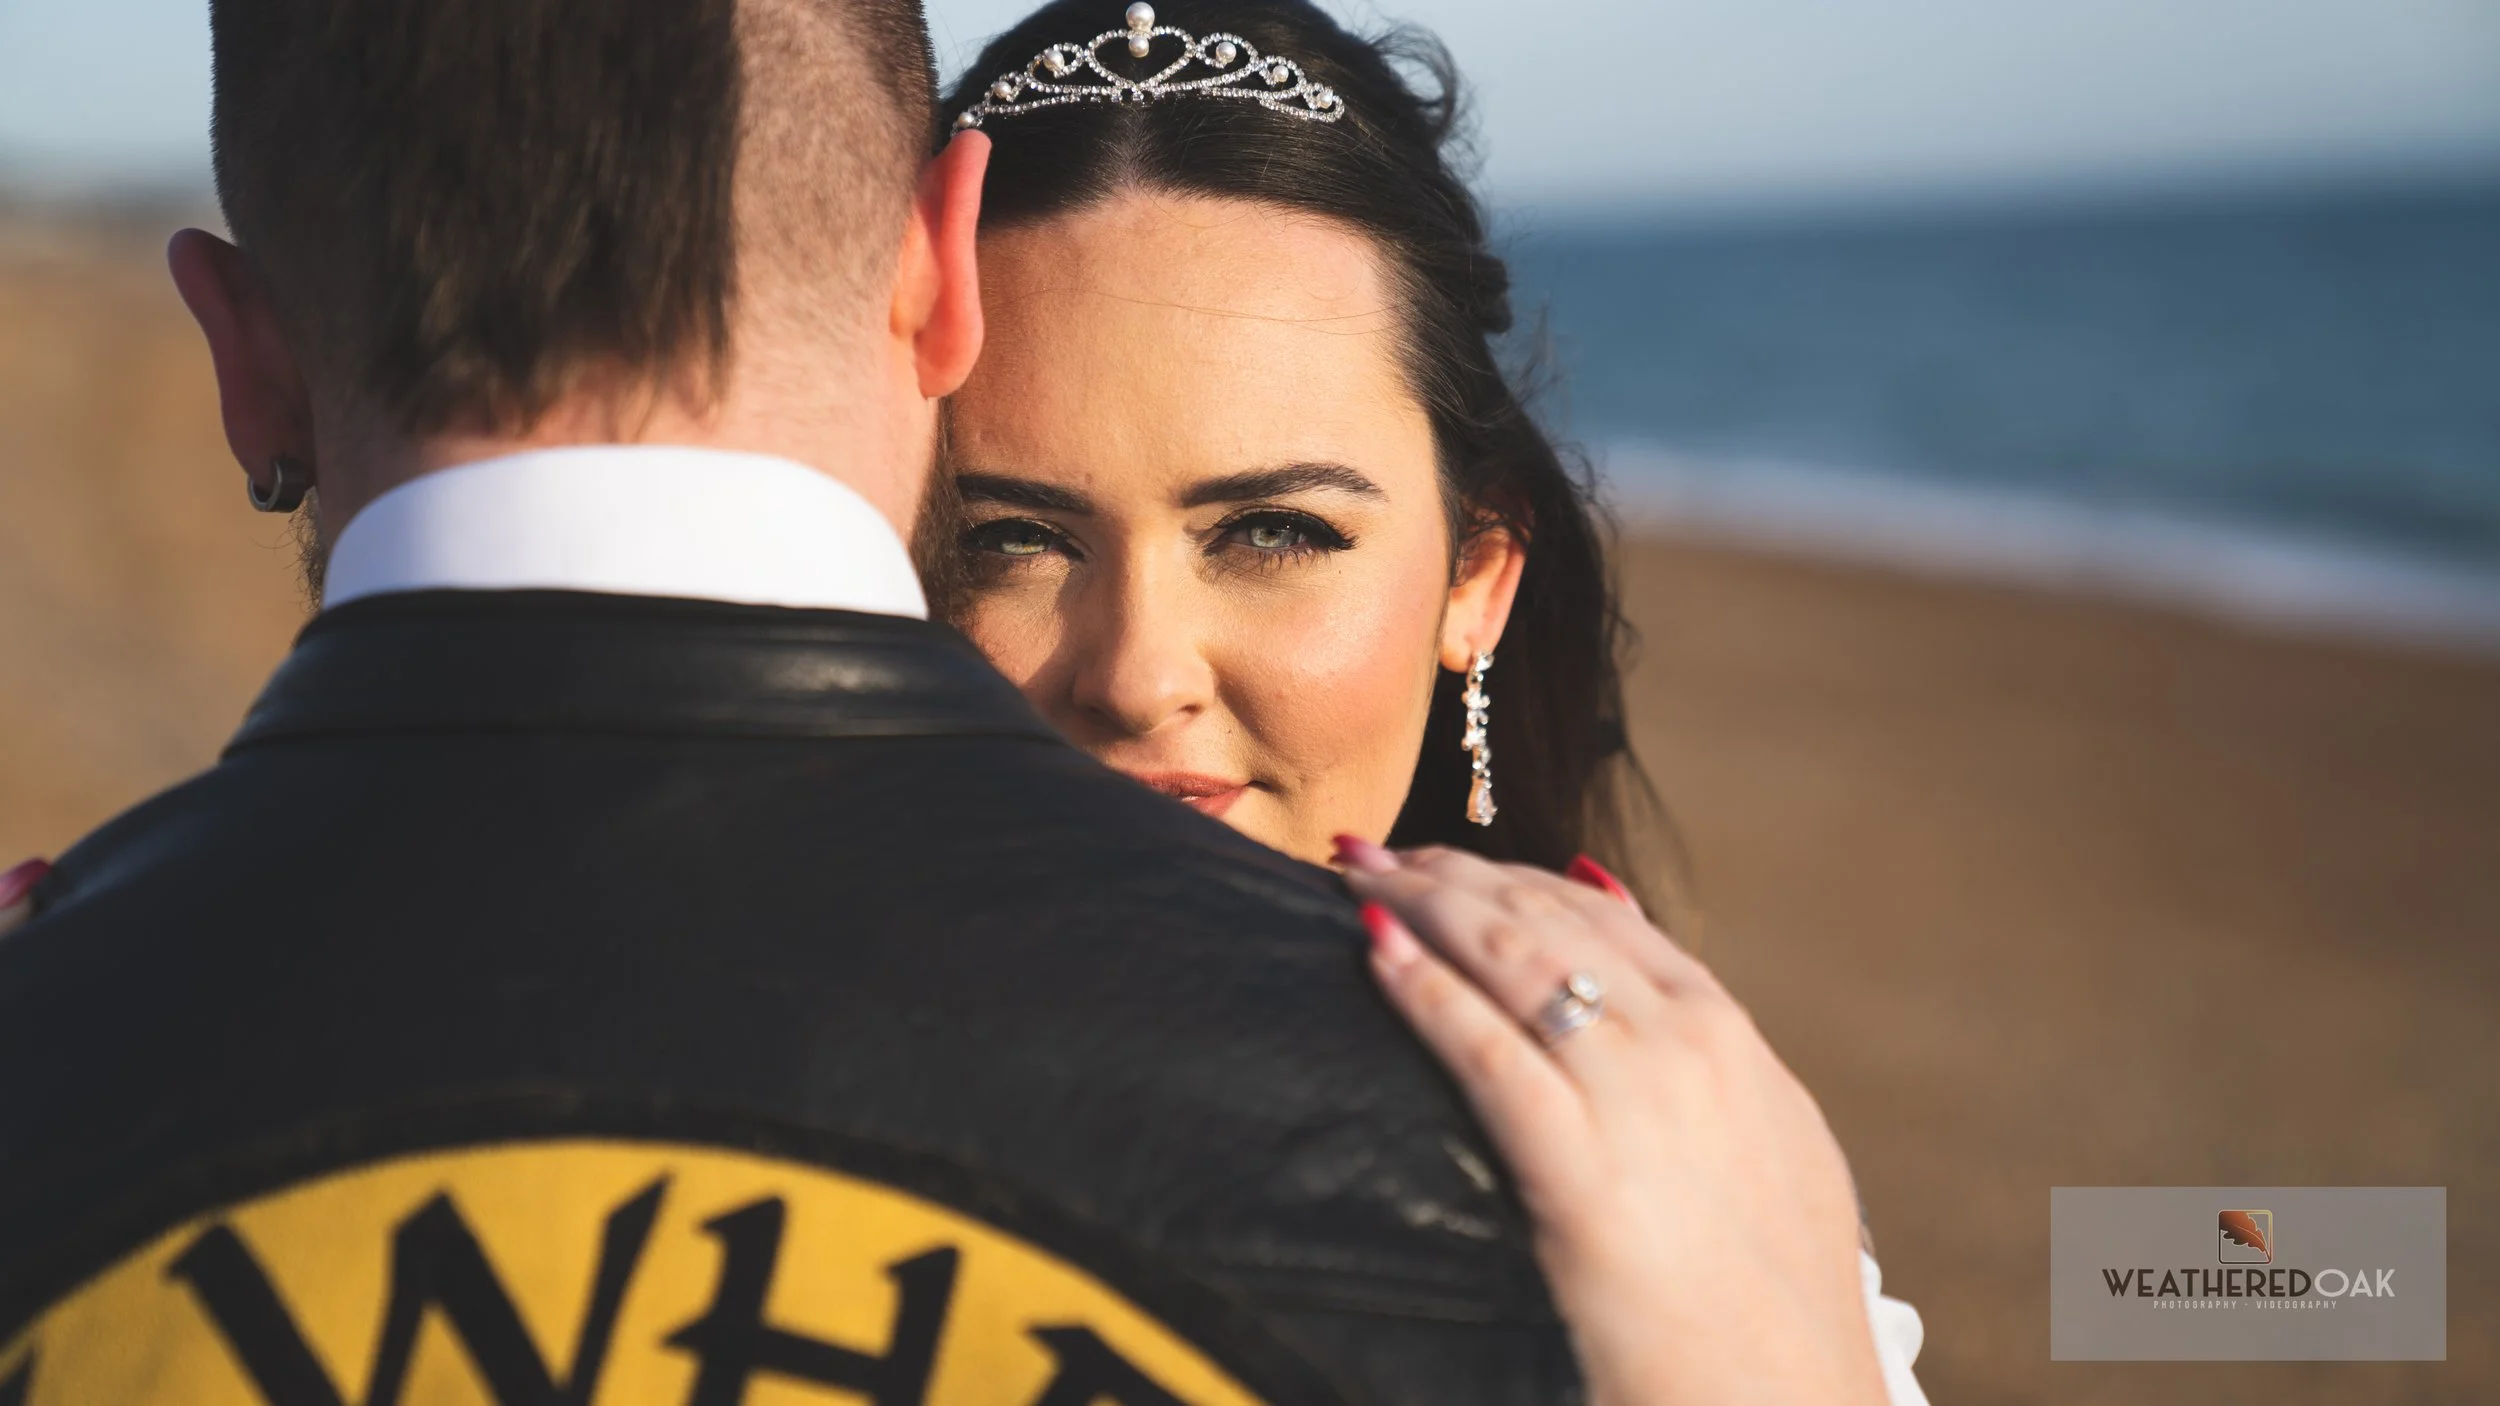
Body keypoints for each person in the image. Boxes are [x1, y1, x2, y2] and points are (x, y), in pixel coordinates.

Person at [0, 4, 1918, 1404]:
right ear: (930, 306)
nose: (1139, 667)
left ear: (1477, 572)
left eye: (1272, 530)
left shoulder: (1672, 1183)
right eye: (1006, 536)